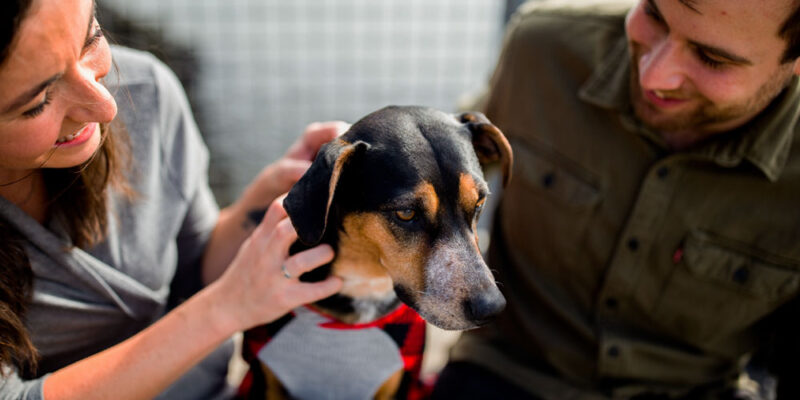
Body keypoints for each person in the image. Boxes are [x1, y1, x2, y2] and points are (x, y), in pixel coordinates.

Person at [432, 0, 800, 399]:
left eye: (712, 59)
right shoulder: (542, 49)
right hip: (502, 374)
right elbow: (434, 176)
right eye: (654, 15)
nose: (654, 75)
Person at [0, 0, 346, 398]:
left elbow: (192, 267)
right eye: (37, 103)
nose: (106, 106)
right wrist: (226, 307)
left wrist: (264, 198)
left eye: (91, 39)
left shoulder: (146, 92)